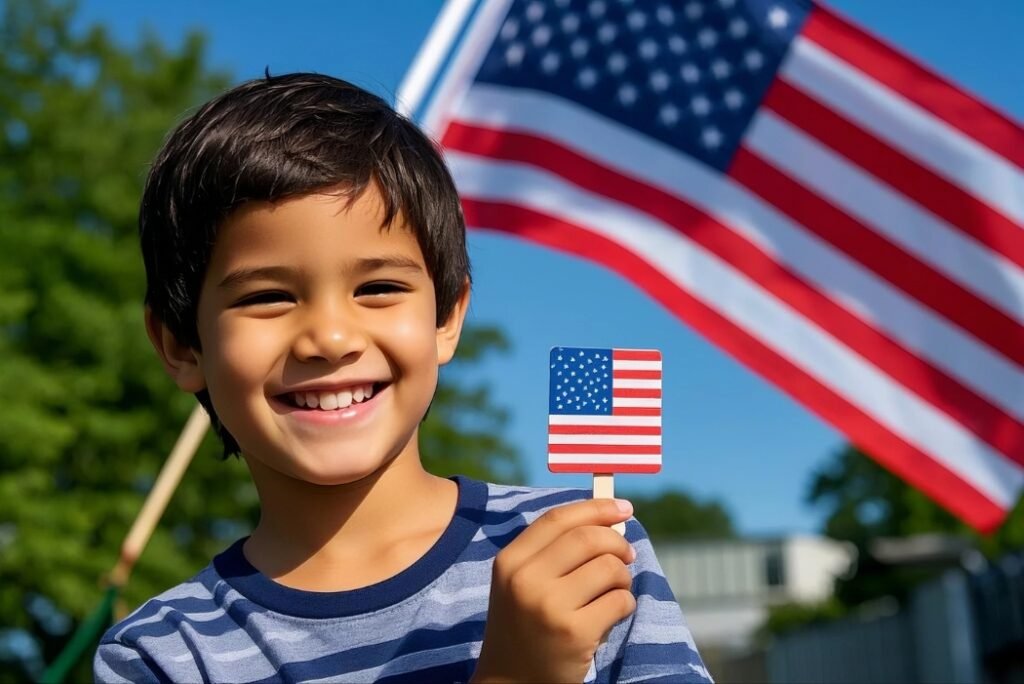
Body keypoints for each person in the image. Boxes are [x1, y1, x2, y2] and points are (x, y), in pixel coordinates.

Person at [93, 72, 712, 684]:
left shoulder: (587, 549)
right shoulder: (162, 655)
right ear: (180, 344)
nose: (331, 339)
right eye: (268, 296)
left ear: (446, 317)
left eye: (379, 288)